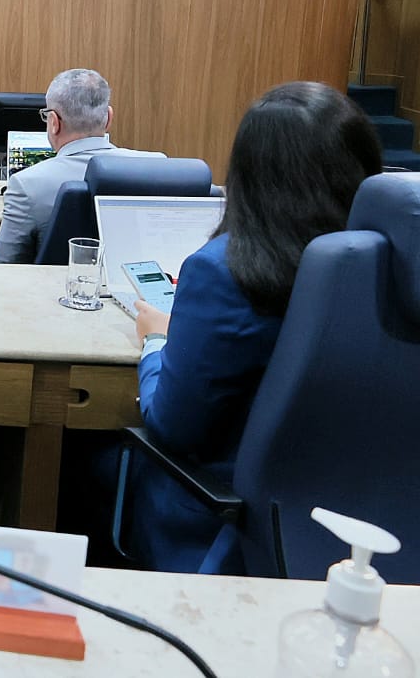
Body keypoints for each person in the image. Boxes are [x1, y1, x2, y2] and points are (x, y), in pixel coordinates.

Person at [127, 81, 380, 573]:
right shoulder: (389, 269)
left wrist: (157, 341)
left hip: (227, 530)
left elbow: (171, 428)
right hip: (368, 535)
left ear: (248, 173)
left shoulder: (224, 273)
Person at [0, 68, 164, 264]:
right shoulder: (157, 168)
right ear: (108, 118)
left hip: (53, 284)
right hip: (136, 284)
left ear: (54, 122)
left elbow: (5, 263)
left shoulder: (26, 184)